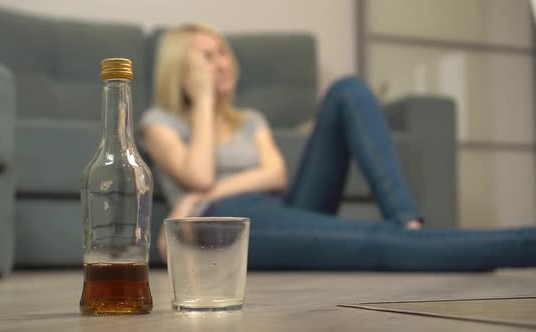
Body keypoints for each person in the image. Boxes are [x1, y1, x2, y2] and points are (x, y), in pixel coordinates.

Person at [139, 22, 536, 271]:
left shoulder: (250, 119)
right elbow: (200, 174)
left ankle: (406, 220)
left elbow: (276, 175)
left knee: (347, 89)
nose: (221, 63)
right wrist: (204, 100)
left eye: (222, 52)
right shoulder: (159, 122)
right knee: (377, 245)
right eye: (206, 58)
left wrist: (192, 200)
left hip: (277, 208)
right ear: (181, 70)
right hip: (228, 227)